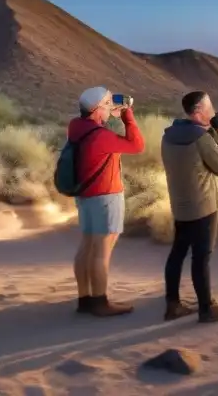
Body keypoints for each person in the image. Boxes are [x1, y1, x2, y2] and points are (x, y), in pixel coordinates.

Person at [160, 91, 218, 323]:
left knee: (177, 253)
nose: (213, 112)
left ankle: (172, 304)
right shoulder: (201, 139)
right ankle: (207, 309)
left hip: (180, 205)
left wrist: (212, 132)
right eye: (209, 107)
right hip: (203, 207)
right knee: (201, 257)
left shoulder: (169, 135)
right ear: (198, 111)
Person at [68, 86, 145, 317]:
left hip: (85, 196)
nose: (111, 104)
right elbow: (137, 145)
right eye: (108, 102)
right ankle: (100, 302)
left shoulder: (76, 127)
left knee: (86, 247)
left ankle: (85, 299)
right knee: (102, 252)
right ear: (96, 108)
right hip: (105, 197)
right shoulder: (101, 136)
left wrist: (111, 113)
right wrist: (126, 115)